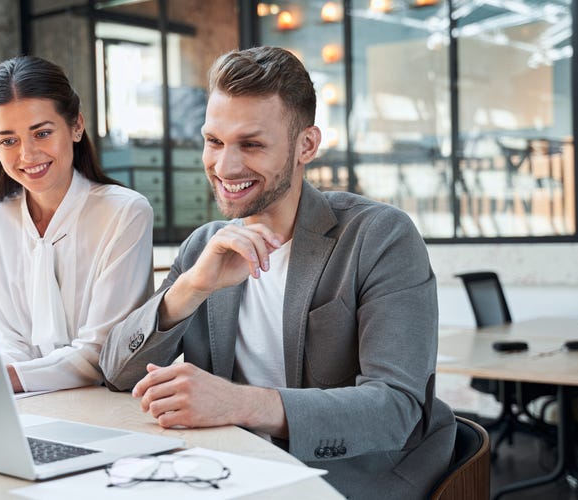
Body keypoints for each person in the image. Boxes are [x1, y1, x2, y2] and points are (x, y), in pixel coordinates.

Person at [99, 46, 455, 499]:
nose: (225, 167)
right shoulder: (206, 245)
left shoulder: (379, 236)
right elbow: (115, 373)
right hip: (234, 465)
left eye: (251, 144)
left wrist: (237, 403)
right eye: (214, 141)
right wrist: (191, 287)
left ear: (306, 145)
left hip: (358, 470)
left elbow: (396, 408)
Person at [0, 56, 154, 393]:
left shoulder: (124, 212)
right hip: (23, 401)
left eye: (41, 133)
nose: (27, 154)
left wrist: (13, 378)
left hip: (104, 402)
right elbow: (5, 336)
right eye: (8, 140)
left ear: (76, 126)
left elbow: (102, 353)